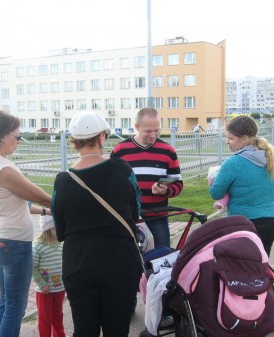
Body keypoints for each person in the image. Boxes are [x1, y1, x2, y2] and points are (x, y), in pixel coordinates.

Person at [52, 111, 142, 337]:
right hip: (120, 262)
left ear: (74, 141)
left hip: (78, 264)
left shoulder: (63, 180)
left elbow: (60, 230)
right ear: (102, 137)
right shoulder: (122, 169)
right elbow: (136, 211)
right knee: (117, 330)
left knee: (84, 330)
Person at [0, 111, 52, 337]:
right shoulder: (4, 169)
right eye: (17, 136)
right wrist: (65, 204)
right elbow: (38, 196)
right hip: (14, 243)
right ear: (2, 136)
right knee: (16, 308)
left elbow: (20, 204)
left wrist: (46, 211)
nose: (19, 141)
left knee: (5, 302)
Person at [209, 115, 274, 256]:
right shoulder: (272, 157)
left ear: (244, 138)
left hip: (242, 224)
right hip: (270, 222)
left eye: (230, 138)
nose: (227, 142)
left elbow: (216, 193)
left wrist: (212, 179)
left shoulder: (233, 163)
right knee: (261, 265)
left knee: (241, 269)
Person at [111, 107, 183, 248]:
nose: (153, 135)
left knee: (162, 258)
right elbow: (111, 184)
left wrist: (166, 191)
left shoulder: (168, 151)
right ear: (137, 127)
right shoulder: (120, 150)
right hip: (129, 217)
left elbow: (178, 184)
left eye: (157, 130)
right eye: (148, 131)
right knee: (130, 260)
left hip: (158, 216)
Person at [32, 214, 66, 337]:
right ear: (47, 229)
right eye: (55, 228)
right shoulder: (37, 246)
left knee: (58, 316)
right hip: (44, 291)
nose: (59, 231)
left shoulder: (61, 243)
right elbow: (32, 267)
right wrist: (42, 284)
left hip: (60, 288)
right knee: (44, 318)